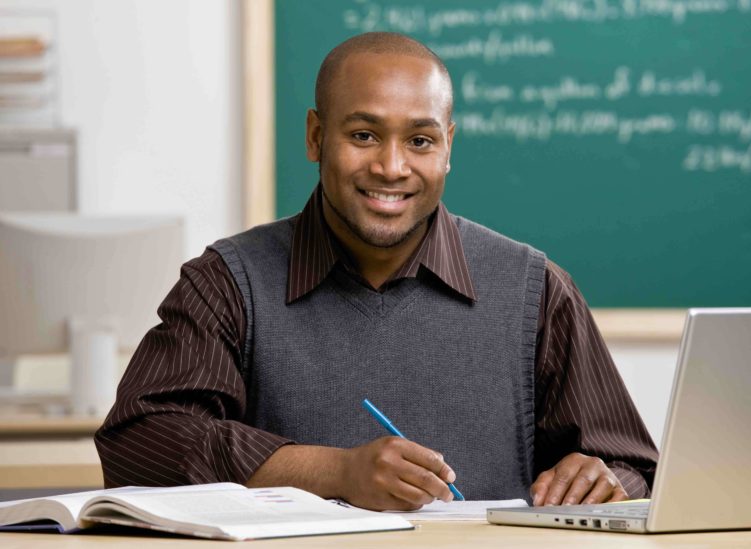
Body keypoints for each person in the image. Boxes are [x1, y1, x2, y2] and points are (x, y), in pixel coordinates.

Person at [95, 32, 657, 511]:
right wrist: (332, 473)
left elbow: (636, 467)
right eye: (363, 135)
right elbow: (137, 443)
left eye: (419, 140)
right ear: (316, 137)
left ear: (448, 147)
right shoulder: (226, 283)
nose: (392, 168)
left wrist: (605, 482)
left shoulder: (535, 290)